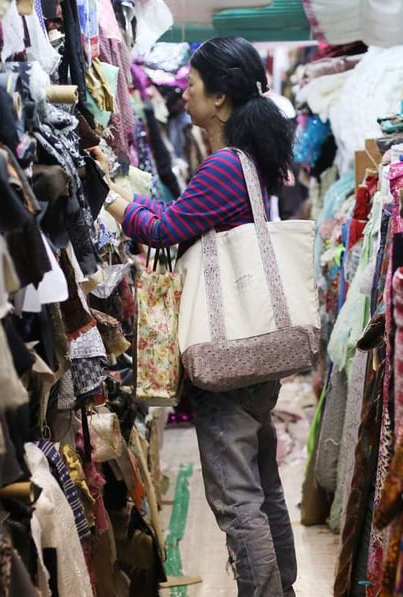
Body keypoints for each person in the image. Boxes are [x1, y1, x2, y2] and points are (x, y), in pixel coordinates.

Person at [100, 36, 298, 597]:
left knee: (237, 501)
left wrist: (108, 197)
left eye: (191, 86)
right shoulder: (251, 163)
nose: (183, 95)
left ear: (220, 99)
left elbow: (163, 229)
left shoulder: (223, 167)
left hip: (225, 358)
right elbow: (183, 215)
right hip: (256, 352)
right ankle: (281, 587)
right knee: (262, 486)